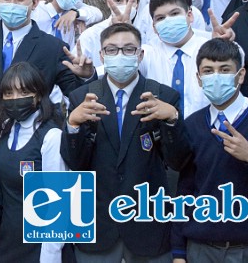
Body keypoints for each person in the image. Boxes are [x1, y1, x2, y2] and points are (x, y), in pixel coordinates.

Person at [166, 38, 248, 262]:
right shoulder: (193, 124)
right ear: (198, 78)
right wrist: (178, 252)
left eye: (224, 70)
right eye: (208, 70)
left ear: (240, 75)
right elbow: (184, 191)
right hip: (200, 248)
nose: (215, 77)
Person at [61, 23, 180, 262]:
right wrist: (73, 125)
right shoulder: (81, 97)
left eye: (128, 49)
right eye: (112, 50)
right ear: (102, 55)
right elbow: (75, 164)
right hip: (98, 227)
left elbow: (178, 160)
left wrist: (172, 121)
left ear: (140, 54)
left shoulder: (163, 96)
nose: (120, 55)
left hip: (148, 226)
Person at [0, 62, 65, 262]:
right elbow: (0, 187)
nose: (15, 99)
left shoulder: (51, 136)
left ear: (38, 95)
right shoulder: (5, 128)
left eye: (23, 91)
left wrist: (51, 256)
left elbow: (59, 201)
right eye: (8, 94)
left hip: (40, 245)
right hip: (7, 238)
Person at [139, 0, 211, 118]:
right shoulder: (147, 53)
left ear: (189, 16)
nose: (168, 21)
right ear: (154, 27)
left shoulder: (210, 47)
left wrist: (224, 44)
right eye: (160, 18)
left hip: (206, 132)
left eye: (174, 14)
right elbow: (116, 65)